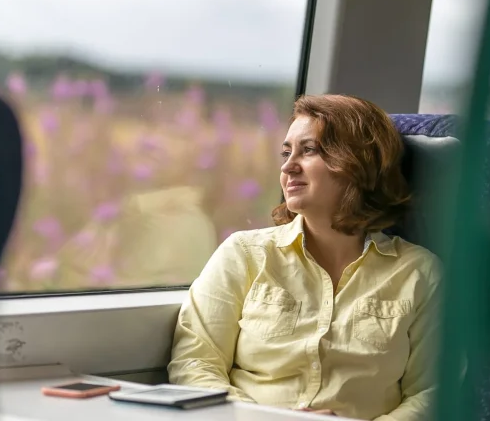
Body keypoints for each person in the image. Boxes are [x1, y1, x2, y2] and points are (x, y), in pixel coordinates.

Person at [168, 94, 442, 420]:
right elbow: (195, 361)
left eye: (308, 150)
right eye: (286, 152)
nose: (287, 166)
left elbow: (433, 394)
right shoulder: (244, 255)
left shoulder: (419, 273)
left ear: (358, 161)